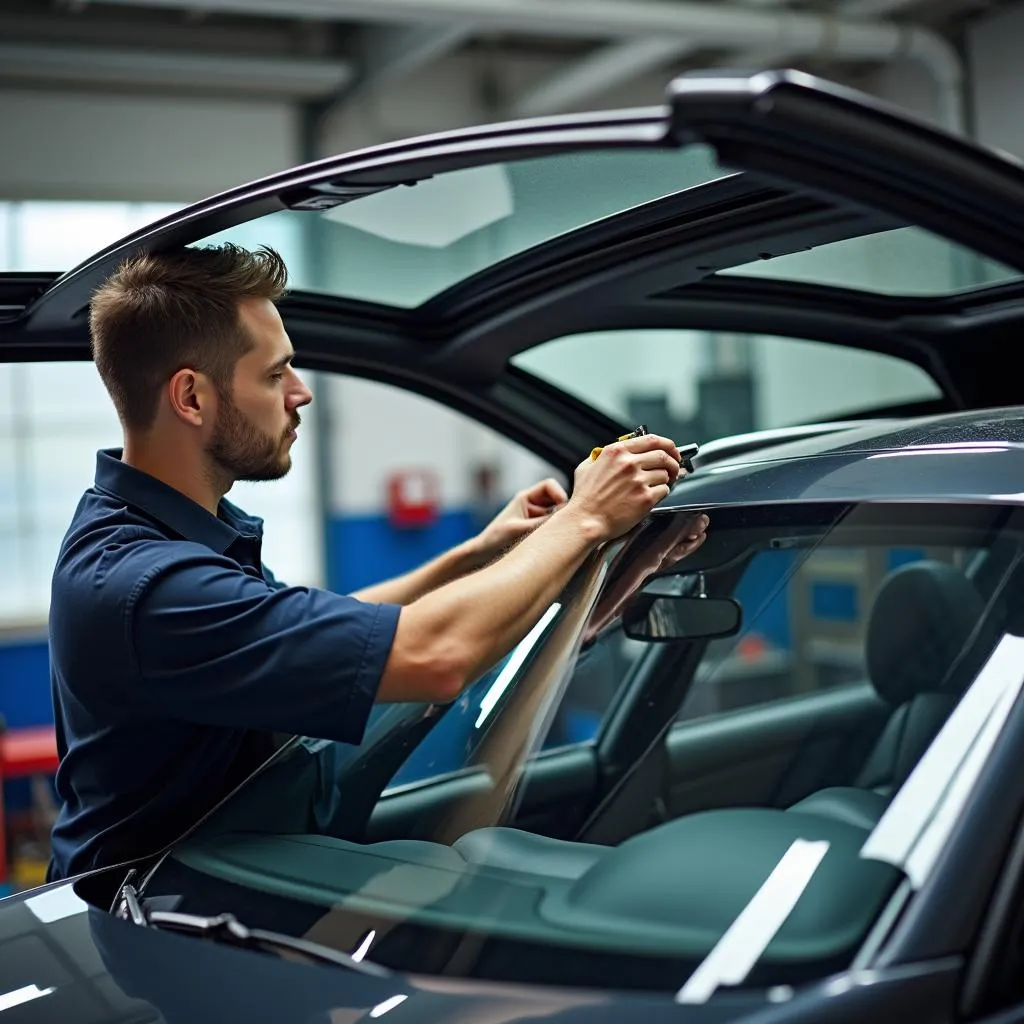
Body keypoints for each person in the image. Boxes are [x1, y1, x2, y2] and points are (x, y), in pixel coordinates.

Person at [46, 243, 692, 881]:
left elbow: (334, 632)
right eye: (275, 374)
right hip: (151, 942)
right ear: (191, 397)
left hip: (223, 893)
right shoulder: (147, 586)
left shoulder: (169, 535)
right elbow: (432, 657)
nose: (300, 393)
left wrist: (478, 554)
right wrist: (584, 519)